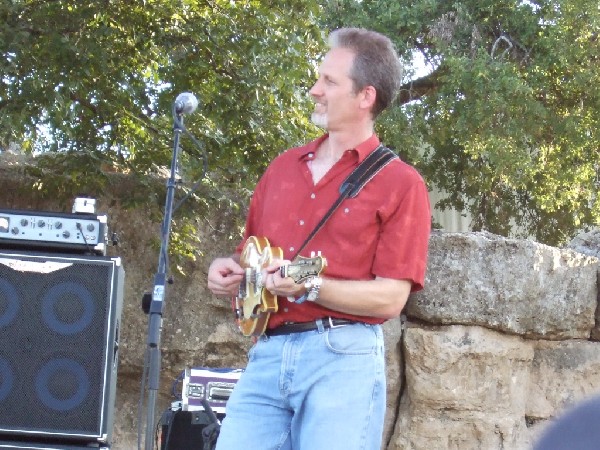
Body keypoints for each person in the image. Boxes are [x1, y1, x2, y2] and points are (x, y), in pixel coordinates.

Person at [207, 27, 431, 450]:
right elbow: (253, 253)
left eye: (329, 82)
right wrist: (232, 274)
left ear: (366, 96)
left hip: (342, 356)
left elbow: (390, 299)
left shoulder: (402, 184)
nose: (314, 90)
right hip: (268, 352)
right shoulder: (281, 168)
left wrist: (312, 285)